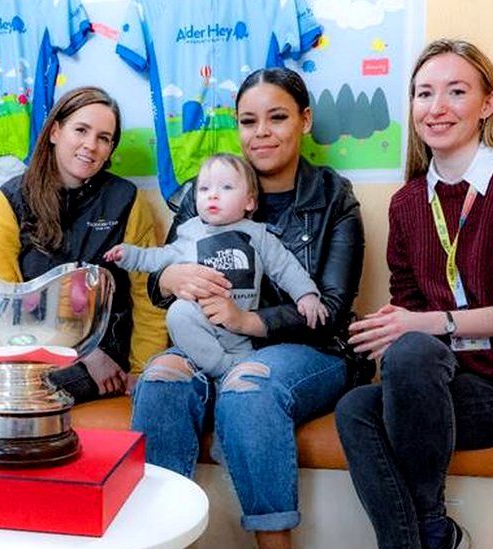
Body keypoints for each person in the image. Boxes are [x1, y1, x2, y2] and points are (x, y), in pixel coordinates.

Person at [334, 39, 493, 549]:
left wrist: (429, 324)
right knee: (354, 407)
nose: (437, 108)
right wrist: (386, 327)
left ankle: (426, 528)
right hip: (443, 381)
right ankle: (424, 537)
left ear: (488, 104)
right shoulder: (408, 202)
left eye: (456, 91)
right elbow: (409, 302)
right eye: (424, 93)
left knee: (411, 348)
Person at [131, 67, 366, 549]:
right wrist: (168, 279)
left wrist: (251, 321)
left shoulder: (332, 196)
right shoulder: (205, 190)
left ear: (304, 120)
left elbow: (335, 306)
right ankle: (159, 538)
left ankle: (274, 543)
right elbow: (163, 278)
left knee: (249, 383)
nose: (260, 133)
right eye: (247, 121)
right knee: (161, 381)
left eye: (276, 117)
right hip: (209, 340)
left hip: (309, 348)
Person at [0, 86, 167, 403]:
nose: (90, 146)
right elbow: (0, 301)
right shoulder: (10, 200)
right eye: (81, 130)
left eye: (104, 138)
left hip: (108, 360)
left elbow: (147, 296)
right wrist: (84, 356)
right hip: (32, 355)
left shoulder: (127, 200)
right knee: (3, 398)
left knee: (21, 400)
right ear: (55, 131)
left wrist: (143, 369)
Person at [104, 153, 327, 378]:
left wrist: (306, 295)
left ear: (250, 201)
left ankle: (230, 374)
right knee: (177, 313)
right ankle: (221, 369)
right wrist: (128, 254)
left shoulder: (257, 234)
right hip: (200, 320)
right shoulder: (190, 232)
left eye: (227, 187)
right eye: (204, 189)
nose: (213, 195)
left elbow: (285, 267)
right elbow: (158, 258)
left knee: (246, 368)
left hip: (241, 328)